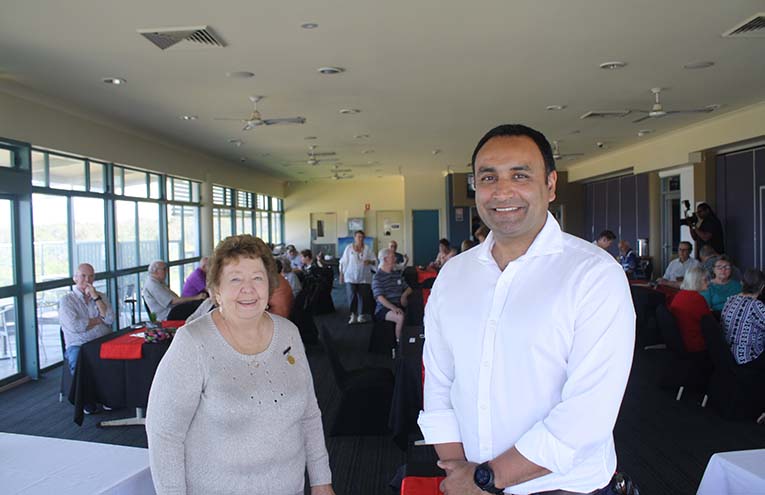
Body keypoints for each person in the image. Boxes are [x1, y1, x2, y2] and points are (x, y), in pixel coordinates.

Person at [418, 124, 634, 495]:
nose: (502, 191)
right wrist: (460, 474)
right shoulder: (453, 275)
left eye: (520, 175)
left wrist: (486, 479)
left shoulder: (594, 275)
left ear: (550, 184)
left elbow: (588, 413)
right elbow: (439, 383)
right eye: (488, 178)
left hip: (564, 488)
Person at [146, 235, 334, 495]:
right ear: (216, 291)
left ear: (269, 285)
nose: (248, 289)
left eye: (257, 278)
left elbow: (309, 415)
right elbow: (164, 435)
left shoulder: (288, 333)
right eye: (235, 279)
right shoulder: (193, 342)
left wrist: (322, 482)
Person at [59, 263, 114, 414]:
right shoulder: (67, 300)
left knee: (119, 358)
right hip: (79, 344)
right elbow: (76, 326)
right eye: (83, 276)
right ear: (75, 278)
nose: (87, 280)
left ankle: (109, 396)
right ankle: (86, 400)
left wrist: (96, 298)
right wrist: (98, 320)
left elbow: (109, 319)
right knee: (78, 362)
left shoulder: (100, 296)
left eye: (90, 276)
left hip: (103, 339)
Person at [720, 268, 765, 367]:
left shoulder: (731, 299)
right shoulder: (755, 305)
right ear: (762, 287)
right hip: (747, 358)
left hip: (728, 356)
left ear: (741, 283)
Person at [142, 260, 207, 321]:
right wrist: (196, 297)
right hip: (168, 314)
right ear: (156, 271)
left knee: (201, 305)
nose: (166, 272)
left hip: (173, 310)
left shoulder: (157, 282)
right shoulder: (153, 285)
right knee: (199, 307)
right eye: (164, 269)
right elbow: (173, 301)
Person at [372, 248, 413, 341]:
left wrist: (404, 295)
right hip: (383, 308)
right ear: (385, 259)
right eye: (393, 257)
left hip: (398, 304)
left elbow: (409, 288)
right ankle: (399, 343)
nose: (395, 259)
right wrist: (394, 308)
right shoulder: (377, 277)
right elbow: (380, 298)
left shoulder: (396, 274)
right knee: (400, 317)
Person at [668, 266, 712, 352]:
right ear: (696, 281)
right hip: (695, 344)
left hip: (682, 341)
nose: (709, 282)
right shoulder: (697, 298)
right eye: (705, 280)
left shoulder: (679, 295)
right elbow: (710, 324)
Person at [339, 230, 376, 324]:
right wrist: (341, 275)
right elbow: (343, 262)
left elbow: (374, 261)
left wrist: (370, 262)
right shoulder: (349, 248)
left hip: (364, 277)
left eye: (362, 237)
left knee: (363, 296)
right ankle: (353, 315)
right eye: (358, 237)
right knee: (351, 296)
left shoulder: (367, 248)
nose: (360, 239)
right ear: (354, 238)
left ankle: (361, 315)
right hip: (350, 276)